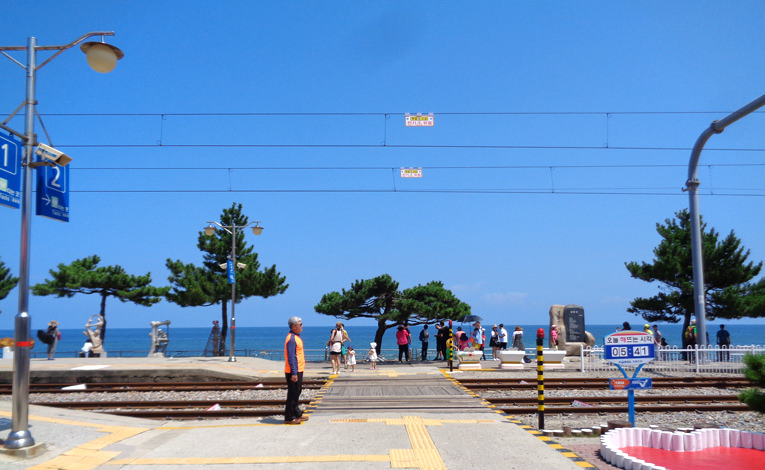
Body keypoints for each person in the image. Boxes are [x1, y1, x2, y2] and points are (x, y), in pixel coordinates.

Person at [284, 316, 307, 425]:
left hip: (299, 369)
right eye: (300, 324)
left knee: (297, 392)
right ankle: (289, 417)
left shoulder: (296, 337)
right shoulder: (292, 339)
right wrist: (294, 372)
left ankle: (297, 413)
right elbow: (291, 356)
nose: (302, 326)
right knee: (292, 395)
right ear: (294, 326)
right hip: (293, 371)